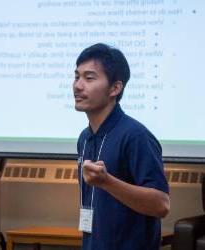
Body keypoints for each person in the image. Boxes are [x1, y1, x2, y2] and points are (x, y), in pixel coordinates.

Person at [73, 43, 170, 250]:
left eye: (89, 78)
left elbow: (161, 204)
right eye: (76, 77)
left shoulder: (135, 136)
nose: (78, 85)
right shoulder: (85, 138)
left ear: (115, 88)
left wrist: (107, 181)